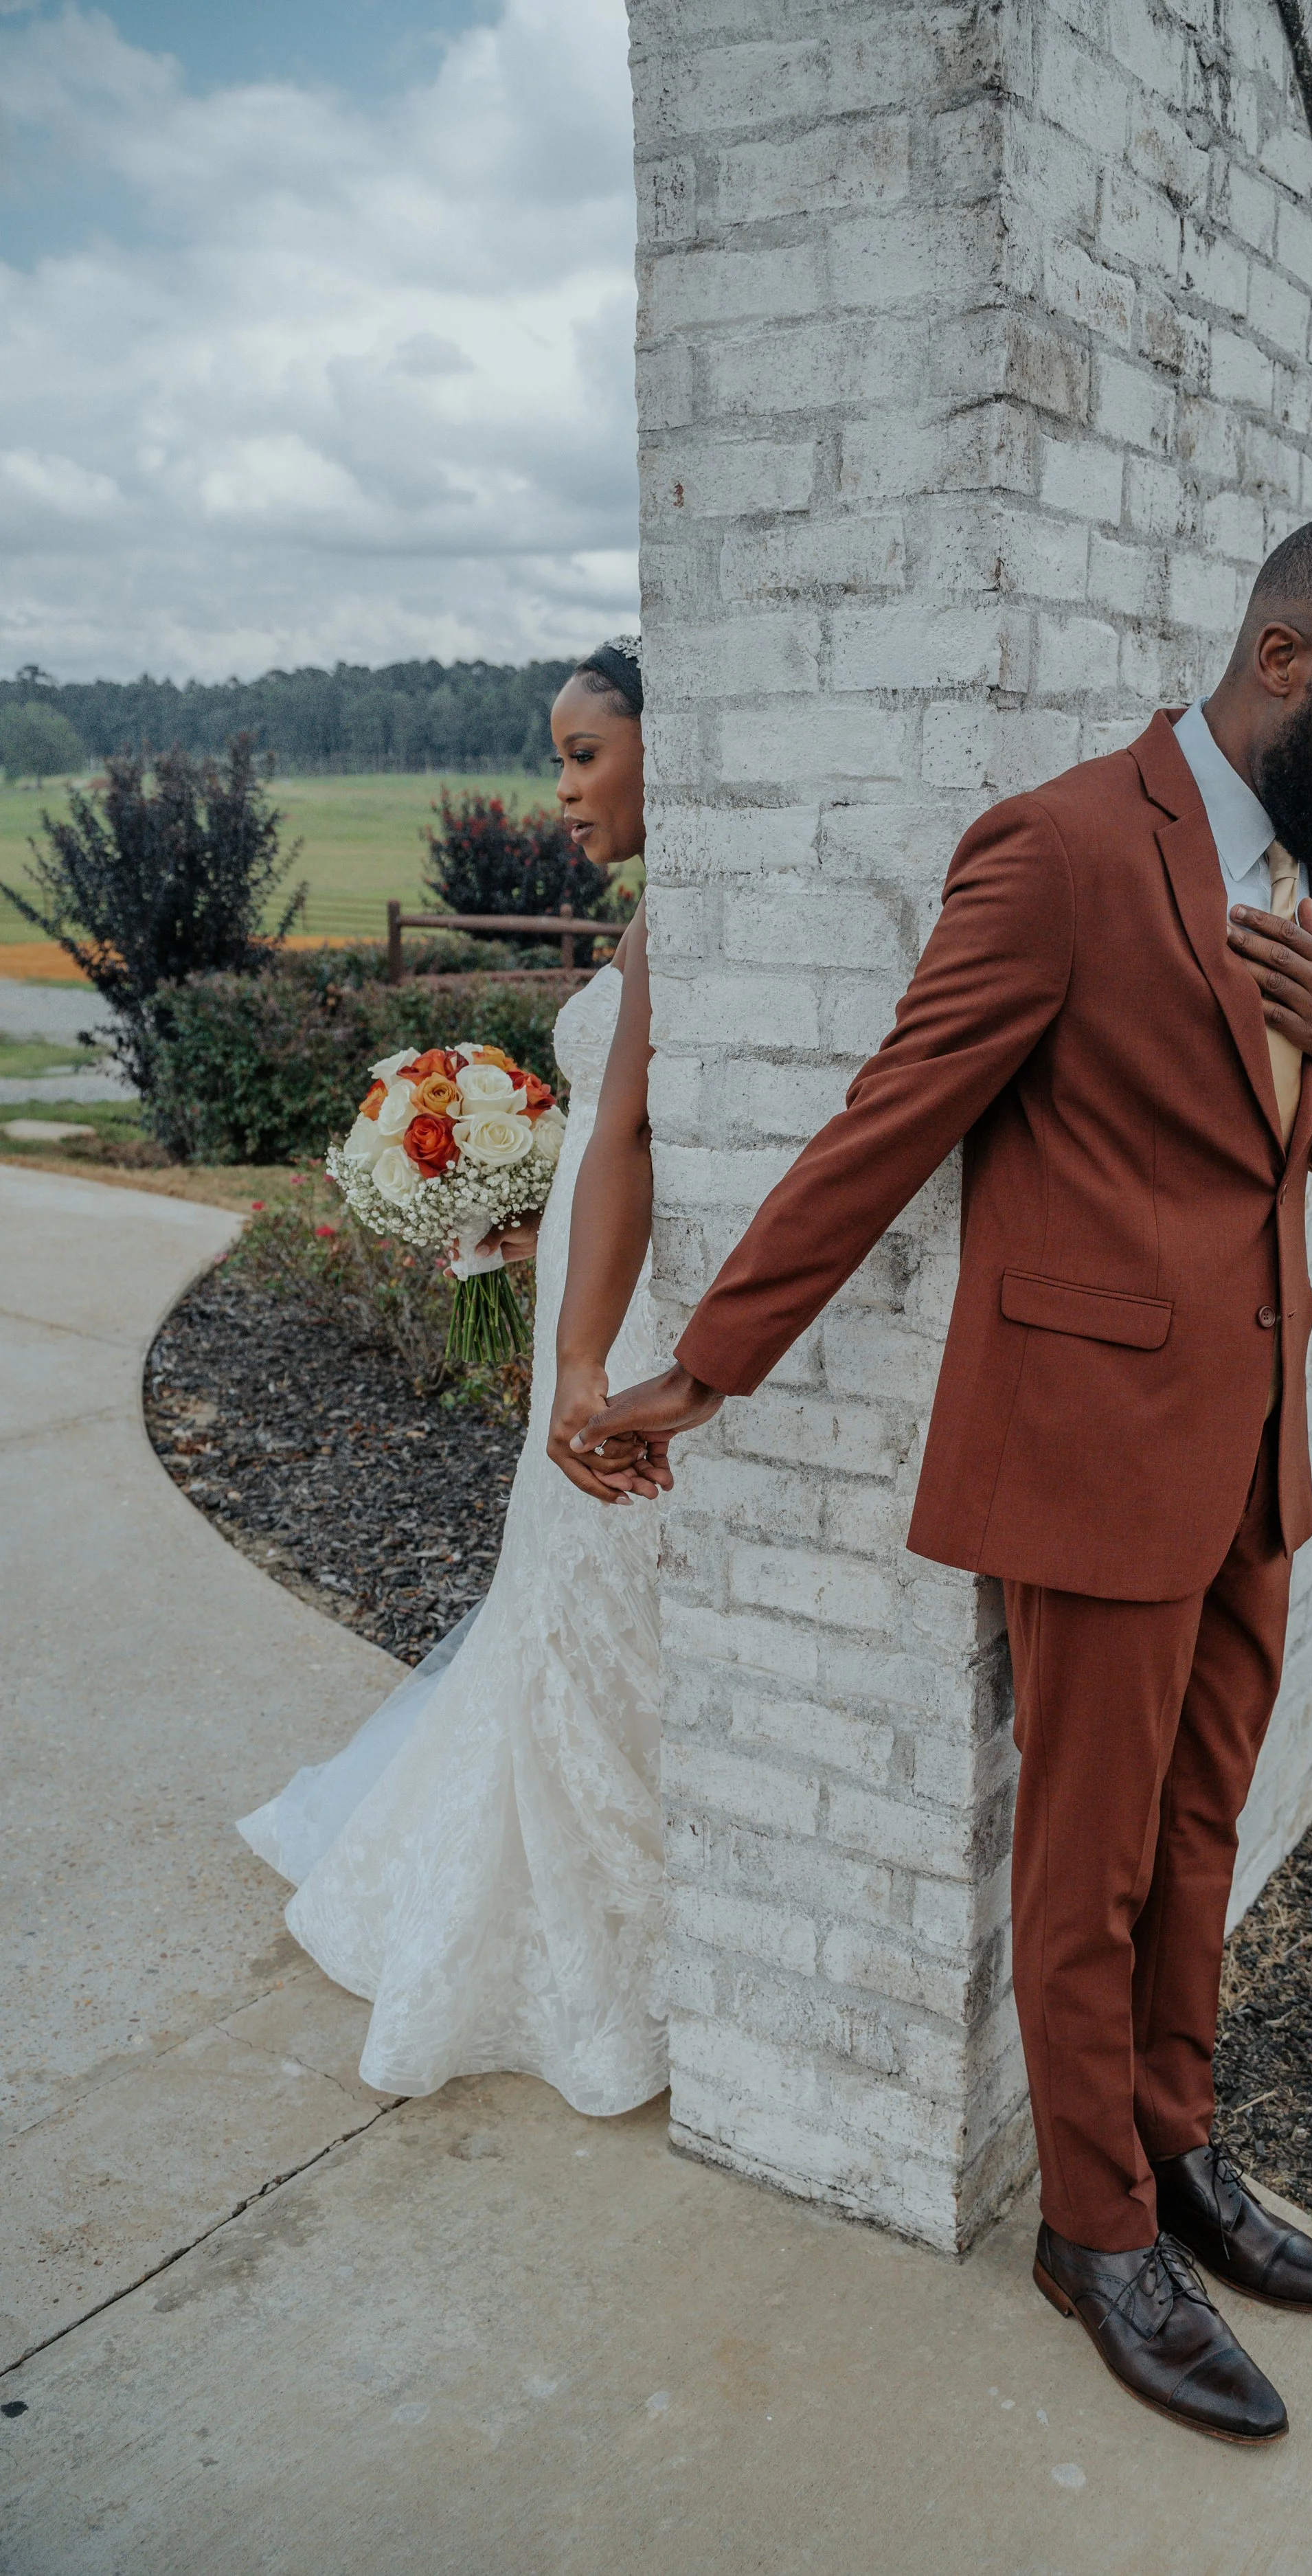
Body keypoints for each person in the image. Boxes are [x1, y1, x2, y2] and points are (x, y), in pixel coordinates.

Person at [571, 510, 1312, 2444]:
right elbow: (888, 1122)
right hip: (1086, 1457)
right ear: (1286, 658)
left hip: (1249, 1451)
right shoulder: (1062, 847)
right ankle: (1093, 2230)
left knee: (1203, 1824)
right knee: (1088, 1860)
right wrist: (701, 1367)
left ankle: (1175, 2142)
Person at [238, 637, 670, 2116]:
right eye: (557, 757)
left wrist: (584, 1349)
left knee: (607, 1623)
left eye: (582, 753)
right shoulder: (653, 918)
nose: (560, 787)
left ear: (665, 750)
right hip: (594, 1308)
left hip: (633, 1334)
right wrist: (515, 1200)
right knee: (554, 1611)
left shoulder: (699, 920)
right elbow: (618, 1137)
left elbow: (658, 1148)